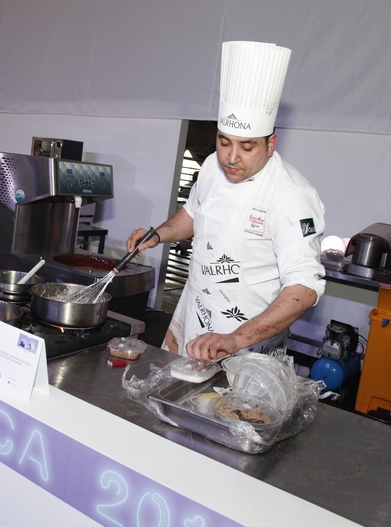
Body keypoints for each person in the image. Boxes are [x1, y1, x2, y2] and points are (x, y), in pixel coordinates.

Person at [126, 41, 325, 363]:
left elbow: (303, 288)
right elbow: (192, 213)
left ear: (271, 143)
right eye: (224, 142)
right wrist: (158, 234)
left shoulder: (292, 196)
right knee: (167, 400)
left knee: (230, 412)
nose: (231, 158)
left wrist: (236, 338)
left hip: (247, 334)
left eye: (247, 147)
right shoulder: (211, 167)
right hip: (194, 313)